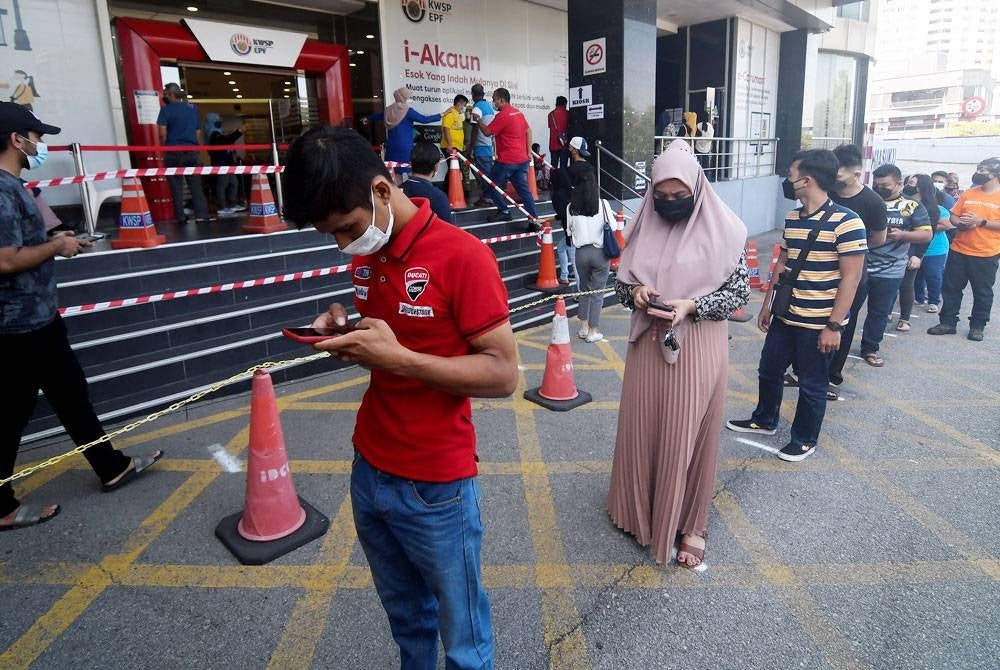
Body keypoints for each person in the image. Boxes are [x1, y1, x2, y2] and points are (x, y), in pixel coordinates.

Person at [281, 126, 518, 670]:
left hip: (437, 484)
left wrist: (397, 359)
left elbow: (503, 374)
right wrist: (342, 327)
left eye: (347, 229)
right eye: (331, 236)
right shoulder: (369, 255)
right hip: (369, 467)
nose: (344, 245)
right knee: (406, 619)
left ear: (383, 191)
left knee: (463, 636)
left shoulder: (465, 257)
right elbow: (388, 331)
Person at [0, 102, 163, 530]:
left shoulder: (14, 186)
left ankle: (111, 466)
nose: (40, 144)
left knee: (71, 394)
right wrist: (55, 248)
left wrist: (57, 239)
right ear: (17, 140)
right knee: (10, 415)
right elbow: (4, 259)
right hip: (16, 327)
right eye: (35, 137)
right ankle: (0, 505)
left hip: (38, 320)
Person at [610, 139, 749, 567]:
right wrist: (635, 293)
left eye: (680, 197)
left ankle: (690, 523)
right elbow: (620, 285)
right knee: (644, 427)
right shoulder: (644, 225)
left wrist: (693, 306)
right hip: (649, 346)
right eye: (661, 196)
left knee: (690, 432)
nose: (669, 204)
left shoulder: (727, 230)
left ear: (698, 188)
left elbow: (739, 292)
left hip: (699, 346)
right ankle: (638, 511)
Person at [727, 149, 866, 463]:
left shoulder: (847, 222)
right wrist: (767, 305)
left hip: (818, 321)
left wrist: (834, 326)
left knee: (812, 382)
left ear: (807, 180)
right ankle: (764, 419)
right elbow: (783, 264)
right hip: (785, 314)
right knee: (769, 369)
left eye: (791, 174)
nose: (787, 179)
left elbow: (851, 279)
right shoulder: (792, 217)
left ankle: (804, 439)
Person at [859, 164, 931, 365]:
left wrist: (903, 235)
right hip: (860, 265)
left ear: (899, 184)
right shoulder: (868, 201)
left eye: (885, 185)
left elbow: (926, 234)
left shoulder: (911, 207)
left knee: (879, 312)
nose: (880, 188)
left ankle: (870, 348)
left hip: (891, 270)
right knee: (848, 310)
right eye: (877, 184)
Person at [928, 157, 1000, 342]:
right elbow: (953, 216)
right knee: (951, 288)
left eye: (983, 170)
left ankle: (977, 326)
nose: (978, 172)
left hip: (986, 253)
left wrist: (981, 222)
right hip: (959, 249)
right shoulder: (969, 193)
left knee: (982, 292)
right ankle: (948, 322)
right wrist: (961, 224)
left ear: (995, 173)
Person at [475, 88, 538, 227]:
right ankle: (533, 220)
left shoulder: (503, 115)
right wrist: (528, 152)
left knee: (491, 184)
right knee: (524, 191)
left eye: (495, 99)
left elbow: (487, 132)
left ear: (501, 100)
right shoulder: (518, 113)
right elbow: (528, 130)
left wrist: (478, 120)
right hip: (522, 161)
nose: (493, 102)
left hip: (507, 160)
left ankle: (504, 211)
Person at [566, 164, 613, 342]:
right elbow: (613, 226)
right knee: (597, 293)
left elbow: (570, 232)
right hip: (600, 253)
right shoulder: (603, 204)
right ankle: (593, 332)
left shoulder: (571, 207)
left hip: (580, 254)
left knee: (584, 290)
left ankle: (584, 328)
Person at [895, 175, 944, 331]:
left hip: (913, 250)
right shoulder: (900, 203)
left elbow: (928, 235)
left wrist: (918, 256)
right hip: (895, 249)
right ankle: (887, 313)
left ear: (921, 187)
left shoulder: (931, 208)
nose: (908, 186)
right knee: (890, 283)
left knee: (906, 284)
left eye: (912, 184)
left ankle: (904, 319)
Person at [157, 83, 210, 224]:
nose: (164, 95)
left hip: (173, 152)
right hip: (191, 152)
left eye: (165, 93)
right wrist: (195, 149)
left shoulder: (165, 110)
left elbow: (162, 134)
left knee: (176, 187)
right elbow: (198, 133)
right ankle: (201, 216)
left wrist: (164, 149)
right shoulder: (191, 111)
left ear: (170, 94)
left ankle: (180, 217)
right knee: (196, 186)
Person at [370, 87, 442, 183]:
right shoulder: (408, 111)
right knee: (413, 172)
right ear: (403, 97)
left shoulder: (388, 110)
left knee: (396, 174)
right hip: (405, 146)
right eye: (409, 97)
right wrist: (441, 115)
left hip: (392, 146)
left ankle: (399, 194)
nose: (410, 100)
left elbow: (377, 116)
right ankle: (413, 193)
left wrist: (367, 119)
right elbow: (424, 119)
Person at [913, 177, 953, 314]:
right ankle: (918, 298)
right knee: (917, 275)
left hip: (935, 249)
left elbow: (947, 225)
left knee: (933, 275)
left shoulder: (939, 209)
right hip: (916, 247)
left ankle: (933, 301)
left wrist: (924, 226)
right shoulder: (911, 206)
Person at [204, 112, 245, 217]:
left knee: (233, 183)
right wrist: (238, 132)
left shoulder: (217, 133)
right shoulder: (213, 134)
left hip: (228, 163)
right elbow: (225, 141)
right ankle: (221, 206)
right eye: (217, 119)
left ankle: (232, 204)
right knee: (222, 184)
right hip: (221, 164)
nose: (219, 121)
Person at [402, 140, 454, 223]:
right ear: (436, 166)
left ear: (410, 163)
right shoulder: (438, 197)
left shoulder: (398, 192)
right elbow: (447, 231)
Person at [467, 84, 495, 208]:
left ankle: (488, 197)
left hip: (480, 146)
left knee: (484, 175)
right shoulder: (488, 107)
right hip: (488, 146)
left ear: (473, 94)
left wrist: (470, 148)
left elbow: (474, 129)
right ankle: (487, 196)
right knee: (487, 174)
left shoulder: (476, 108)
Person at [550, 167, 575, 285]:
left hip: (570, 232)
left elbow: (562, 214)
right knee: (561, 247)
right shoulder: (572, 191)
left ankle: (581, 294)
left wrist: (549, 219)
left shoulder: (557, 195)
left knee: (575, 263)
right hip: (578, 228)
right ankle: (564, 275)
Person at [547, 96, 569, 170]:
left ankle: (553, 181)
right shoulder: (568, 114)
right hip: (564, 144)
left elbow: (551, 127)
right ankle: (563, 181)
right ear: (565, 104)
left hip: (553, 145)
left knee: (553, 167)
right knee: (563, 167)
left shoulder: (550, 115)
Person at [693, 111, 715, 178]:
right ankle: (706, 179)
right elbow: (711, 138)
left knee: (698, 166)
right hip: (706, 149)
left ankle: (698, 179)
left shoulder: (698, 125)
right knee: (706, 166)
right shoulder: (710, 127)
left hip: (698, 148)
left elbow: (694, 136)